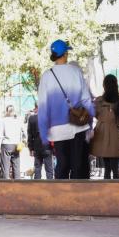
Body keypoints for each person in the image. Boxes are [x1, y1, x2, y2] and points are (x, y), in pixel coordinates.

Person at [37, 39, 94, 180]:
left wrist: (43, 132)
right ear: (65, 54)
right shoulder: (75, 71)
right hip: (77, 125)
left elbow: (43, 106)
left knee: (62, 165)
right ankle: (76, 192)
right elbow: (86, 99)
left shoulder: (47, 76)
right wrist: (91, 120)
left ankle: (60, 191)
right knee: (77, 165)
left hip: (57, 129)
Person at [90, 75, 119, 179]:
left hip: (101, 132)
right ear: (116, 85)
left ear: (104, 85)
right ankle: (116, 187)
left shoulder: (99, 101)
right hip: (115, 132)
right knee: (115, 169)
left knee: (106, 168)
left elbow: (94, 114)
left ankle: (106, 186)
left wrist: (103, 118)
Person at [26, 105, 53, 180]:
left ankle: (37, 184)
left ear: (36, 108)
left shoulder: (32, 118)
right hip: (47, 145)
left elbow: (29, 135)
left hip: (36, 146)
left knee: (37, 167)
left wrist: (30, 148)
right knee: (49, 169)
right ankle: (50, 184)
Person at [0, 105, 23, 179]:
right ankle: (17, 183)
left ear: (6, 111)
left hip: (6, 144)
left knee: (5, 167)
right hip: (16, 145)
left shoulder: (3, 121)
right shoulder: (18, 120)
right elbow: (23, 132)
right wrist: (21, 140)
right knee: (16, 166)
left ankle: (6, 183)